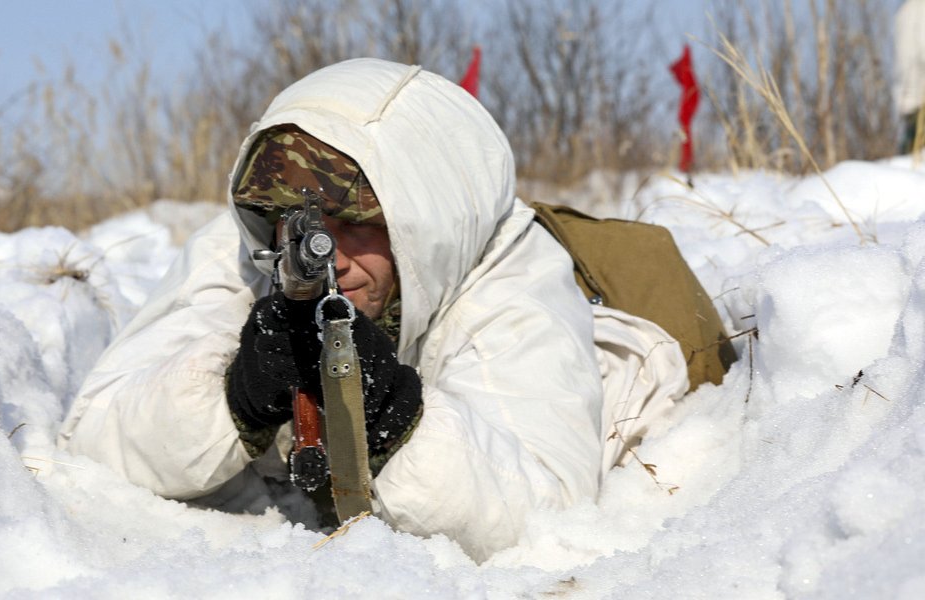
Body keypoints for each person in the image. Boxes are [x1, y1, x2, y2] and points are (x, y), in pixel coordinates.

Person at [58, 58, 688, 561]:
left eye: (356, 226)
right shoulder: (245, 252)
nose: (326, 255)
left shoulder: (509, 281)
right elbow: (91, 442)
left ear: (425, 223)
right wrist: (234, 398)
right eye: (292, 222)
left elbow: (541, 523)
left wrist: (398, 418)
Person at [895, 0, 925, 154]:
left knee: (909, 154)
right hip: (918, 99)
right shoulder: (918, 9)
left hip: (907, 100)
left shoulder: (902, 12)